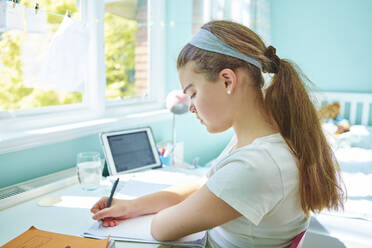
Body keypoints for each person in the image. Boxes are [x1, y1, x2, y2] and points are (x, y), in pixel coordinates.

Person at [91, 20, 345, 247]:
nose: (190, 106)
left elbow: (162, 228)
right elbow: (209, 188)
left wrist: (161, 212)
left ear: (227, 81)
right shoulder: (260, 142)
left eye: (192, 93)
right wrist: (133, 206)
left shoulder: (256, 165)